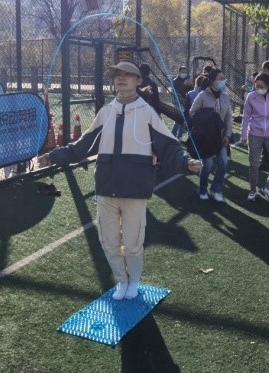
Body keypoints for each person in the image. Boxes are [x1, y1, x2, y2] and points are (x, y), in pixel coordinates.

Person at [37, 61, 201, 300]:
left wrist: (185, 162)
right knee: (109, 241)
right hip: (106, 188)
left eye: (127, 75)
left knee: (133, 243)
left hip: (135, 189)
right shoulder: (106, 112)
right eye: (117, 76)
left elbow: (169, 146)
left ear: (138, 81)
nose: (121, 79)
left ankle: (133, 281)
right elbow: (82, 146)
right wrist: (53, 156)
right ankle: (121, 281)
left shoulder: (147, 113)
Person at [189, 69, 233, 202]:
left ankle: (216, 189)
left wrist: (227, 134)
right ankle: (202, 189)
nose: (223, 80)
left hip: (221, 136)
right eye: (220, 78)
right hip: (206, 137)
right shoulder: (202, 95)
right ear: (212, 81)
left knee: (223, 162)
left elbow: (229, 116)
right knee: (207, 164)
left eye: (224, 78)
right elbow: (192, 112)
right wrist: (208, 116)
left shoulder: (225, 96)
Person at [240, 73, 269, 203]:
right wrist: (243, 134)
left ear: (268, 85)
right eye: (256, 86)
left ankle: (267, 187)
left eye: (261, 86)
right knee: (254, 165)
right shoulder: (251, 96)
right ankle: (252, 190)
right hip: (254, 134)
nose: (259, 88)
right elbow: (246, 116)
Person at [171, 65, 192, 139]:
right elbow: (176, 92)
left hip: (186, 102)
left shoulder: (188, 79)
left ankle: (179, 135)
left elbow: (190, 90)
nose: (184, 73)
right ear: (179, 72)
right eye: (183, 72)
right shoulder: (175, 81)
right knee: (178, 119)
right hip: (178, 102)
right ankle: (173, 135)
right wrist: (183, 85)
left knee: (183, 120)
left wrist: (190, 85)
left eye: (185, 72)